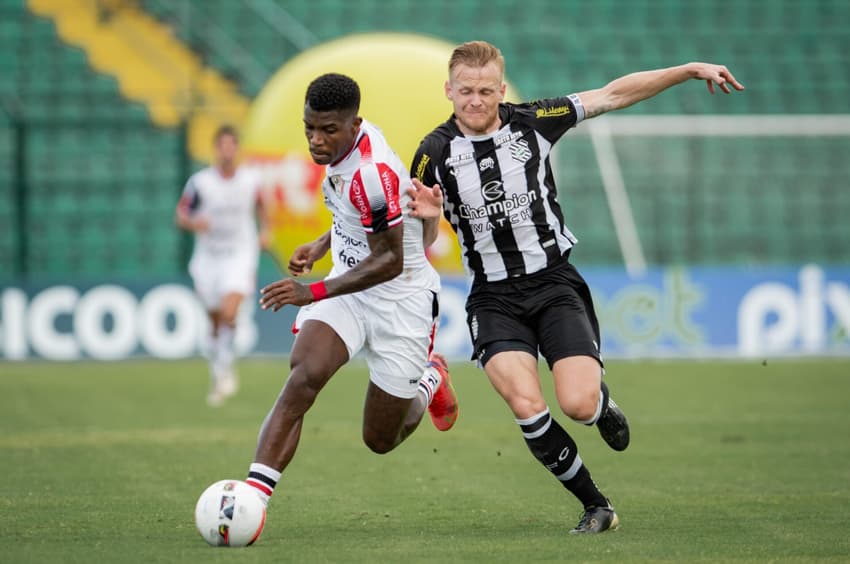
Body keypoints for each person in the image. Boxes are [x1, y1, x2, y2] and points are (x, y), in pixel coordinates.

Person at [407, 41, 744, 534]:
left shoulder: (535, 120)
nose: (474, 101)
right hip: (491, 298)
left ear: (501, 90)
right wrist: (430, 221)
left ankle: (601, 406)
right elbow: (419, 238)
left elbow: (611, 94)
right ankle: (596, 505)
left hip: (553, 284)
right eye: (464, 92)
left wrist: (688, 68)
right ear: (448, 91)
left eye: (484, 91)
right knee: (527, 404)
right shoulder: (431, 154)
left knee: (578, 404)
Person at [243, 73, 459, 515]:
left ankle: (431, 376)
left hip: (402, 299)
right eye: (309, 127)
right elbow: (357, 214)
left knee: (380, 439)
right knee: (304, 375)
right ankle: (251, 499)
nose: (316, 140)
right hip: (352, 287)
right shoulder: (352, 150)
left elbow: (390, 261)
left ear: (354, 124)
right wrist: (323, 244)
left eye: (327, 130)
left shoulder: (370, 174)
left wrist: (313, 290)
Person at [175, 125, 268, 407]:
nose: (227, 151)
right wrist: (194, 222)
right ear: (216, 149)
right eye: (222, 146)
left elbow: (262, 206)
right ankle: (221, 370)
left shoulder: (251, 180)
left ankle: (225, 371)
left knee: (230, 310)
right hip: (208, 258)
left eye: (232, 146)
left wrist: (266, 231)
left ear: (237, 149)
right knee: (215, 321)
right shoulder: (200, 183)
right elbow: (181, 214)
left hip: (240, 253)